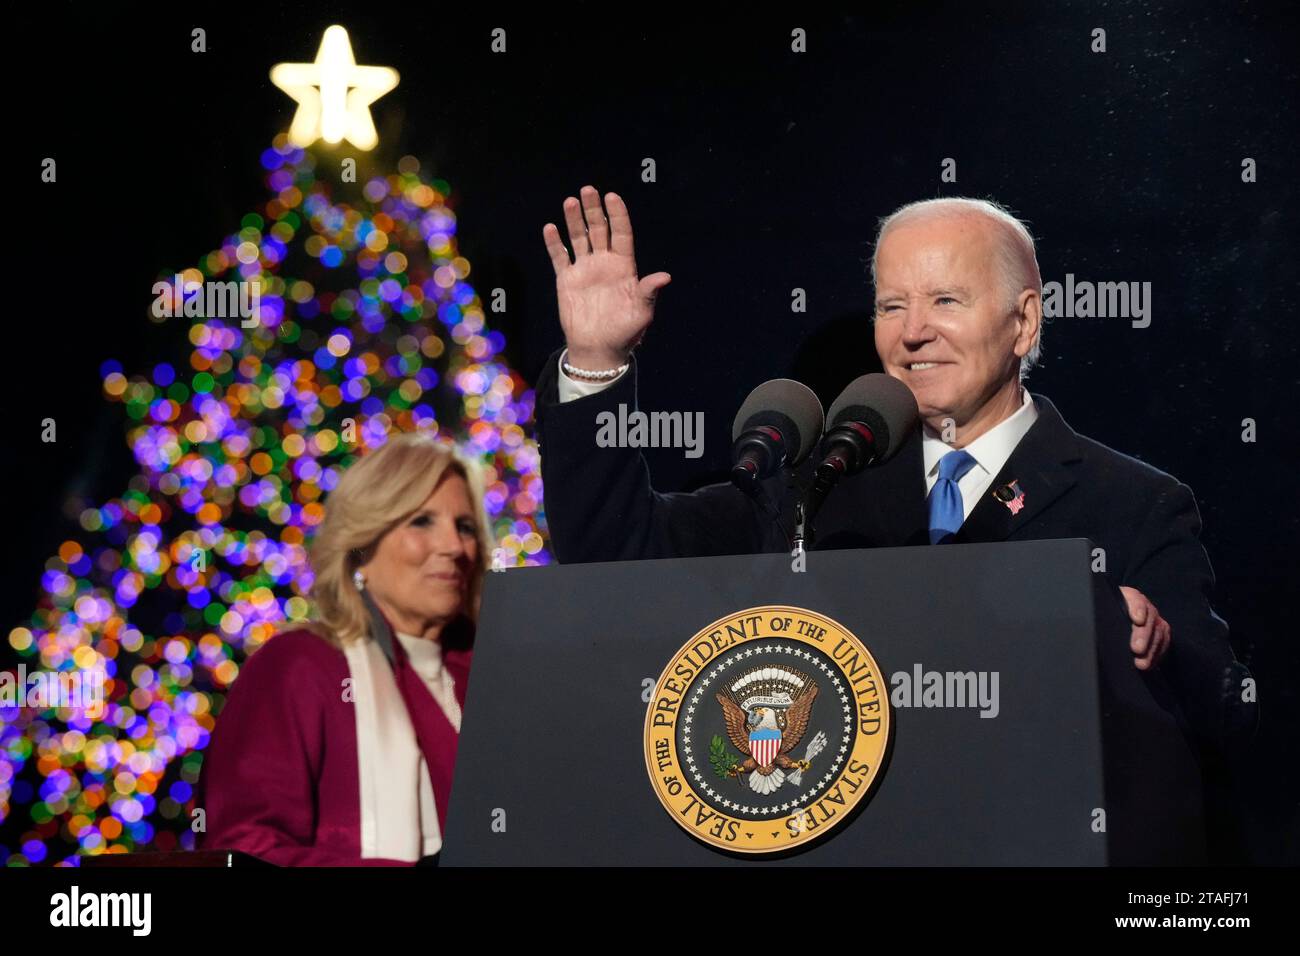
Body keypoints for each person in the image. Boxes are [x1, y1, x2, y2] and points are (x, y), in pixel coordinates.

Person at [534, 189, 1255, 756]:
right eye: (891, 304)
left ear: (1024, 322)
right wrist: (595, 363)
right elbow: (615, 552)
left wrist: (1151, 650)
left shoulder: (1133, 503)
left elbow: (1222, 706)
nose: (912, 331)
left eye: (946, 300)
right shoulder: (812, 487)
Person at [197, 431, 493, 865]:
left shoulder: (495, 679)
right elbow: (247, 850)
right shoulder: (298, 667)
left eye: (465, 527)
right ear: (361, 545)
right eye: (421, 521)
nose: (454, 547)